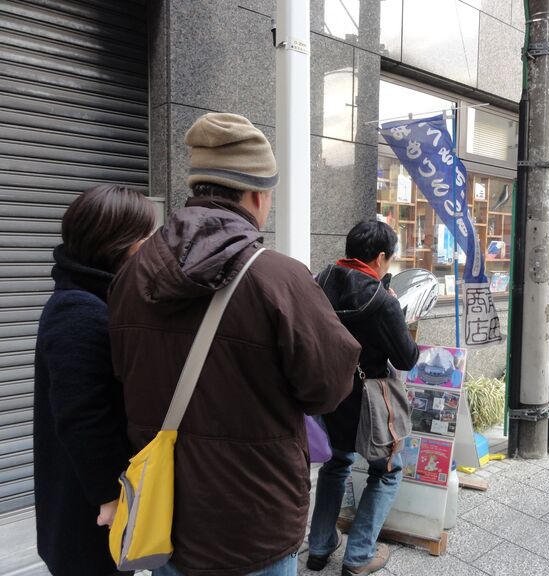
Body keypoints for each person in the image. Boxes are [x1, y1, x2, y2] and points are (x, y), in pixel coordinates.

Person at [108, 112, 360, 576]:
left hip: (165, 521)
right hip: (255, 526)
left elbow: (121, 375)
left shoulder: (131, 275)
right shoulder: (278, 278)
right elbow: (327, 388)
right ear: (257, 195)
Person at [34, 184, 156, 576]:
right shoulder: (78, 310)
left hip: (86, 508)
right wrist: (109, 496)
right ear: (122, 243)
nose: (151, 248)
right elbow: (81, 416)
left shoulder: (92, 298)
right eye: (146, 238)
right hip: (88, 514)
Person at [309, 220, 419, 576]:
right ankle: (358, 557)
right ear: (381, 257)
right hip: (370, 399)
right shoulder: (382, 301)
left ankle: (320, 546)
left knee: (336, 464)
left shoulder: (320, 281)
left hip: (330, 394)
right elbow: (405, 358)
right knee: (387, 471)